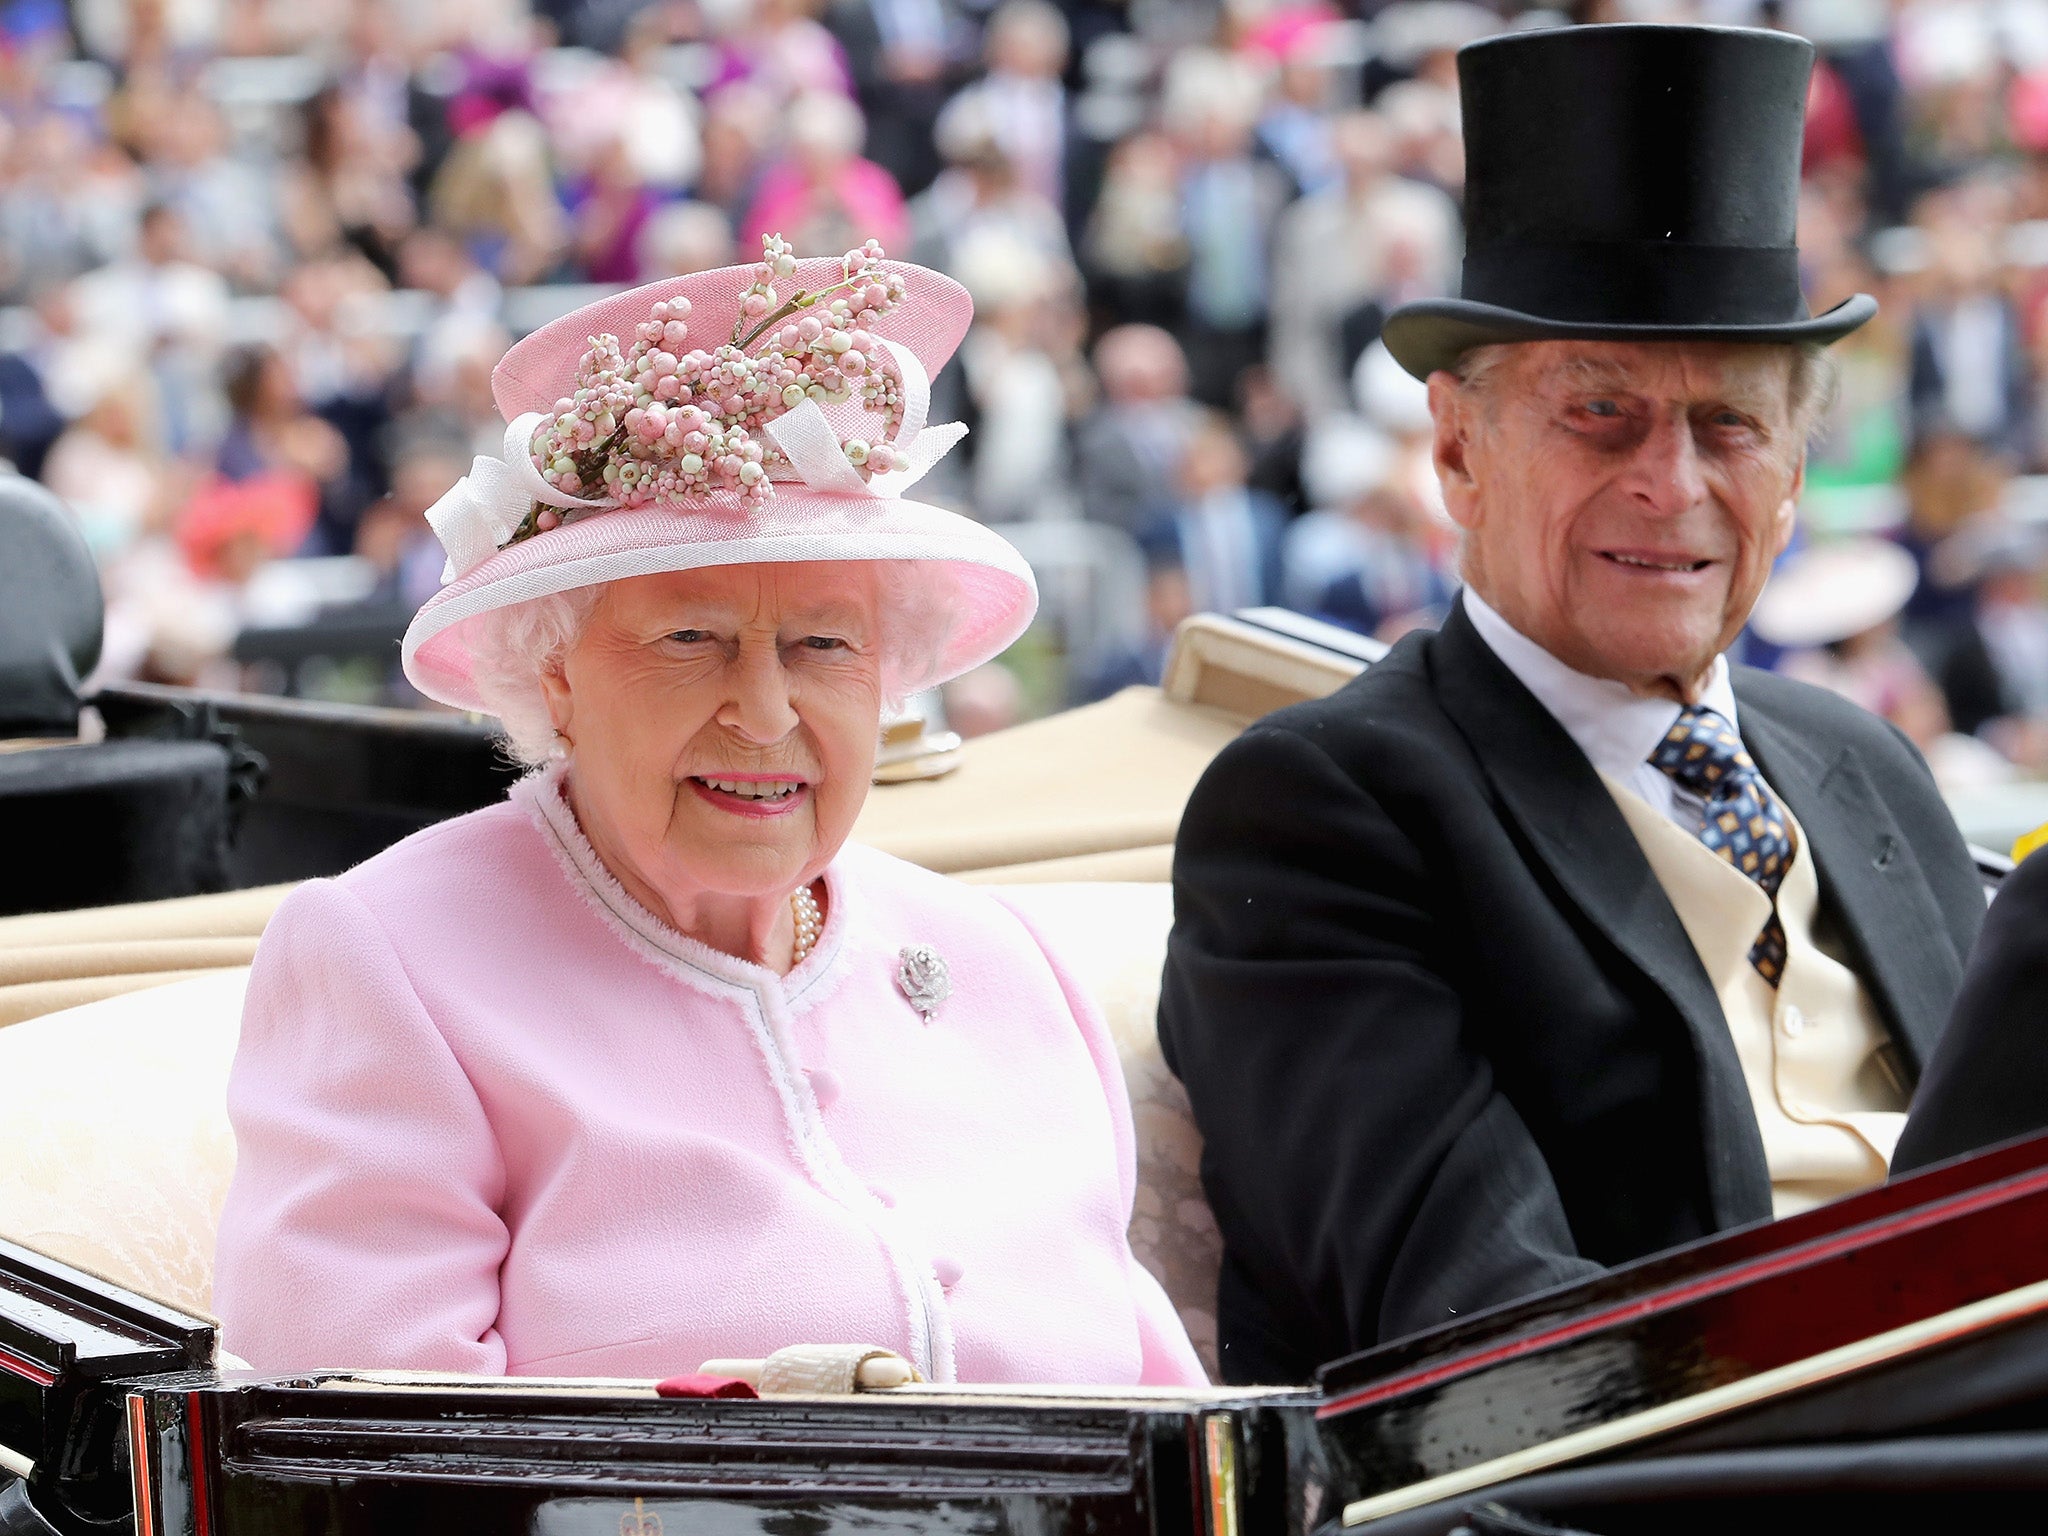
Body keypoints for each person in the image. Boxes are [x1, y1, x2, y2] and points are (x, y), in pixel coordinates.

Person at [213, 237, 1205, 1389]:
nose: (766, 711)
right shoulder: (391, 962)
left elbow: (1171, 1428)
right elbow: (354, 1475)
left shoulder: (1004, 962)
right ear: (556, 676)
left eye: (822, 643)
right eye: (691, 639)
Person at [1158, 25, 1986, 1385]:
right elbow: (1485, 1345)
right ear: (1457, 450)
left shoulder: (1861, 763)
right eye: (1600, 413)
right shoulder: (1323, 810)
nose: (1672, 485)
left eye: (1729, 425)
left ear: (1791, 476)